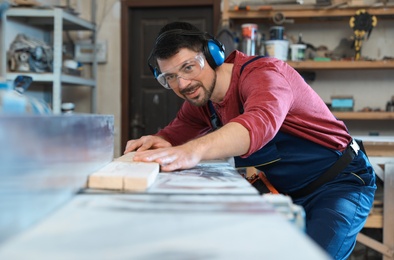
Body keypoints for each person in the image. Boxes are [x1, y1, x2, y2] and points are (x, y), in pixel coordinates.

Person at [124, 21, 376, 259]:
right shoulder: (203, 100)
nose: (183, 83)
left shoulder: (265, 75)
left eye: (188, 67)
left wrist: (192, 151)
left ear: (213, 55)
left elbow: (258, 124)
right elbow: (173, 134)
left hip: (340, 184)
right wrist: (155, 142)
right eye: (170, 77)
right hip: (288, 192)